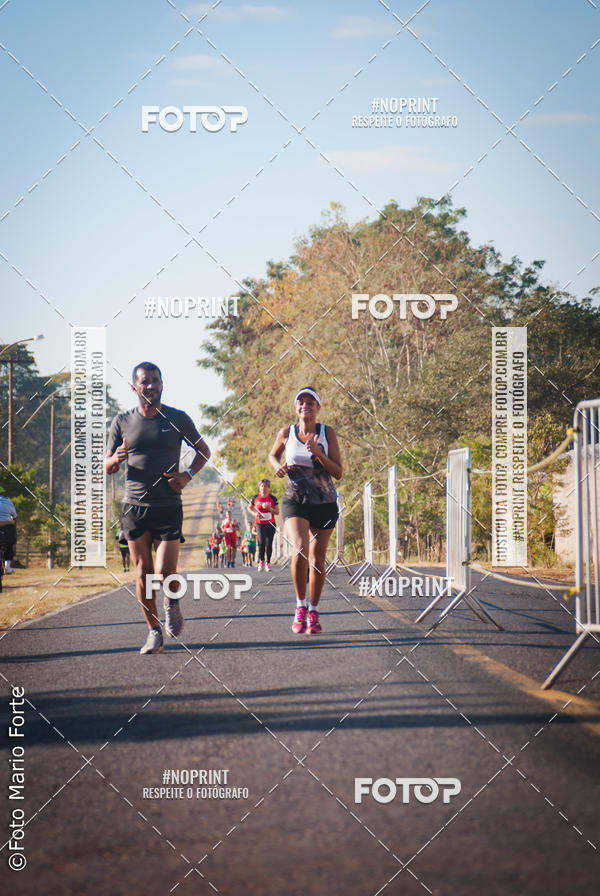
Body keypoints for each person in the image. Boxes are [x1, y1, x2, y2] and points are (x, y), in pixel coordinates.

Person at [105, 362, 210, 655]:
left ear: (162, 383)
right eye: (144, 381)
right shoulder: (122, 421)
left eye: (155, 380)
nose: (150, 385)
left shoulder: (177, 418)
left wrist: (187, 475)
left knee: (165, 570)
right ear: (134, 387)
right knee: (142, 574)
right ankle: (153, 632)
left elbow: (204, 450)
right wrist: (116, 459)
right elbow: (107, 465)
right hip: (134, 506)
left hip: (168, 505)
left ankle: (171, 602)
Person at [268, 387, 342, 634]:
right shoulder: (286, 432)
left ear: (318, 408)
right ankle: (300, 606)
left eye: (310, 402)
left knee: (317, 559)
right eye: (301, 402)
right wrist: (278, 466)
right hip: (295, 500)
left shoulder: (326, 433)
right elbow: (272, 455)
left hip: (324, 502)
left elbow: (338, 472)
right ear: (295, 407)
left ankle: (314, 609)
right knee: (299, 548)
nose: (305, 406)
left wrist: (319, 453)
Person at [249, 480, 279, 572]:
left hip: (270, 524)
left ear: (268, 488)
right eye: (262, 486)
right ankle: (261, 561)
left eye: (265, 486)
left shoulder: (273, 498)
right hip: (260, 524)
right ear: (259, 487)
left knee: (269, 543)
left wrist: (269, 508)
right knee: (261, 542)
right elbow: (249, 508)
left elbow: (277, 512)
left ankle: (268, 563)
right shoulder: (255, 498)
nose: (263, 488)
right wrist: (254, 514)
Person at [0, 490, 18, 574]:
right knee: (10, 544)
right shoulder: (8, 502)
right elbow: (15, 516)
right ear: (3, 493)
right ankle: (8, 567)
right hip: (7, 527)